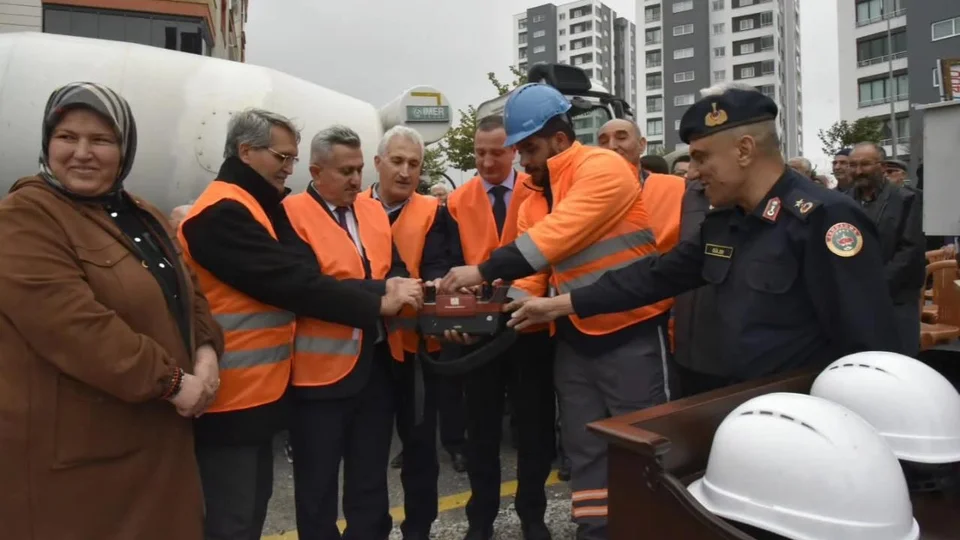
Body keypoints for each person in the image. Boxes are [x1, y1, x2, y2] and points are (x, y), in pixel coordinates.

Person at [506, 83, 901, 387]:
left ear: (744, 150)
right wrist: (561, 306)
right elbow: (655, 276)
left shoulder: (825, 220)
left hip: (808, 420)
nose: (692, 173)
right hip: (739, 403)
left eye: (701, 157)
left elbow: (867, 347)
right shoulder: (725, 222)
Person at [441, 83, 670, 540]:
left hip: (632, 332)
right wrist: (481, 317)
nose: (520, 161)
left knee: (644, 445)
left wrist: (481, 270)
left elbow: (555, 239)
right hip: (576, 339)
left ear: (560, 141)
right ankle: (594, 530)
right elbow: (530, 280)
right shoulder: (532, 194)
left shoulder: (603, 168)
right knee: (585, 447)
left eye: (528, 149)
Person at [178, 108, 418, 540]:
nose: (287, 168)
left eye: (359, 170)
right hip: (238, 392)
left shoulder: (258, 206)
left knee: (254, 511)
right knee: (242, 516)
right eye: (282, 157)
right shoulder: (234, 212)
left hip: (264, 389)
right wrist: (380, 299)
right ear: (245, 152)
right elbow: (299, 284)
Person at [0, 81, 223, 540]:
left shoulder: (143, 213)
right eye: (67, 137)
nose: (82, 153)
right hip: (82, 463)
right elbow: (76, 328)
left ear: (125, 149)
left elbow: (191, 295)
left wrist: (206, 353)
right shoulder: (24, 217)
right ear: (47, 144)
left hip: (155, 442)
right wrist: (175, 382)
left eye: (101, 140)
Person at [282, 125, 423, 540]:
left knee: (369, 482)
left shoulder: (371, 210)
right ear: (315, 171)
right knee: (318, 488)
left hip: (375, 367)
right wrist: (385, 291)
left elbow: (391, 265)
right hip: (318, 377)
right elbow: (309, 288)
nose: (356, 181)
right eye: (345, 171)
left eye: (359, 170)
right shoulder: (291, 215)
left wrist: (399, 282)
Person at [444, 115, 556, 540]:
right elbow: (451, 265)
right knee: (482, 433)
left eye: (496, 152)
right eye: (480, 152)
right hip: (478, 335)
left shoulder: (540, 192)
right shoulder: (458, 200)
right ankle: (480, 520)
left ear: (513, 151)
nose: (487, 161)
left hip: (529, 328)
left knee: (534, 430)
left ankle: (533, 515)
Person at [359, 125, 467, 539]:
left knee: (421, 451)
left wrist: (435, 289)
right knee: (366, 452)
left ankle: (418, 530)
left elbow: (442, 267)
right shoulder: (353, 207)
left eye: (414, 164)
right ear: (378, 163)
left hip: (420, 352)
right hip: (366, 352)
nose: (405, 172)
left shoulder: (434, 212)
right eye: (398, 161)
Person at [847, 143, 925, 356]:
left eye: (865, 164)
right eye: (852, 165)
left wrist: (877, 285)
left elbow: (911, 250)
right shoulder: (842, 202)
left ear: (881, 166)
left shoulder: (907, 199)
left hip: (896, 299)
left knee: (899, 361)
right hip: (856, 300)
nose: (858, 171)